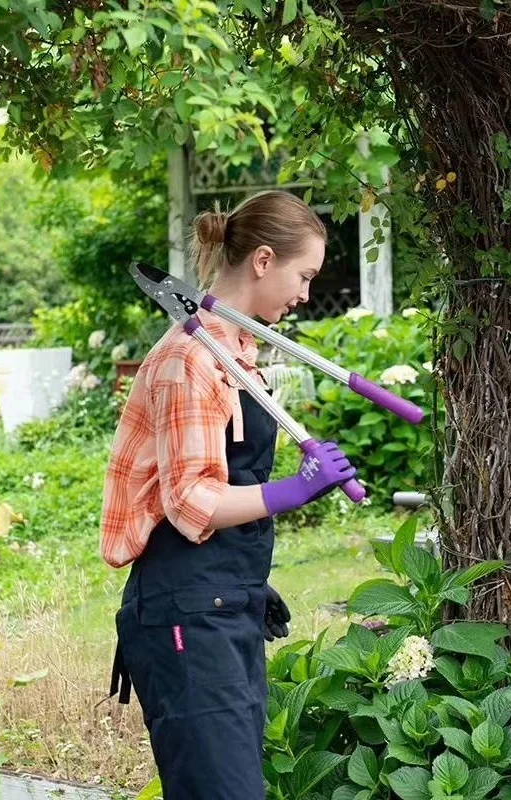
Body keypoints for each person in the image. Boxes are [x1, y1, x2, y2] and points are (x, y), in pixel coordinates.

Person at [100, 190, 356, 800]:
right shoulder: (191, 357)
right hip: (186, 611)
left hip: (222, 604)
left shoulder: (237, 353)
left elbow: (224, 478)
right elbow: (192, 503)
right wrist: (296, 490)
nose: (305, 294)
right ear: (263, 260)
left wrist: (244, 580)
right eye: (304, 275)